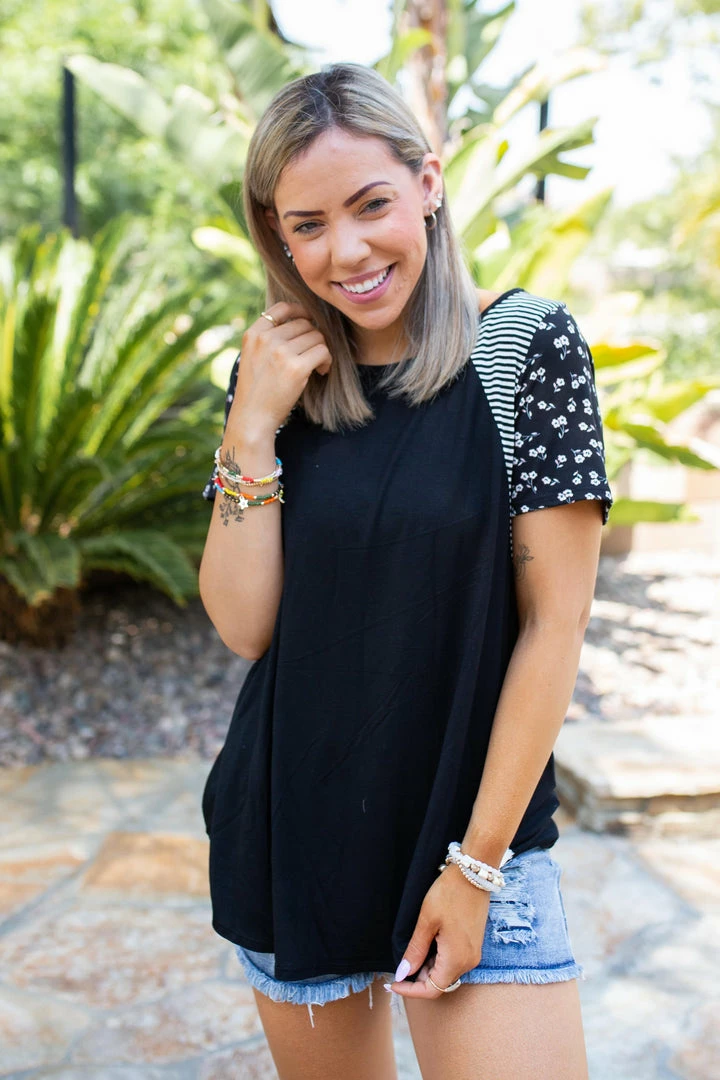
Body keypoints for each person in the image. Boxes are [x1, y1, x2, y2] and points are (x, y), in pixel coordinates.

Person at [198, 61, 612, 1080]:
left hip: (478, 843)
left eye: (371, 204)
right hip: (296, 836)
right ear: (277, 234)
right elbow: (246, 627)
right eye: (307, 225)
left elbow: (553, 626)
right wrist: (251, 427)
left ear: (428, 183)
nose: (346, 251)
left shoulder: (524, 349)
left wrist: (474, 869)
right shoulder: (275, 377)